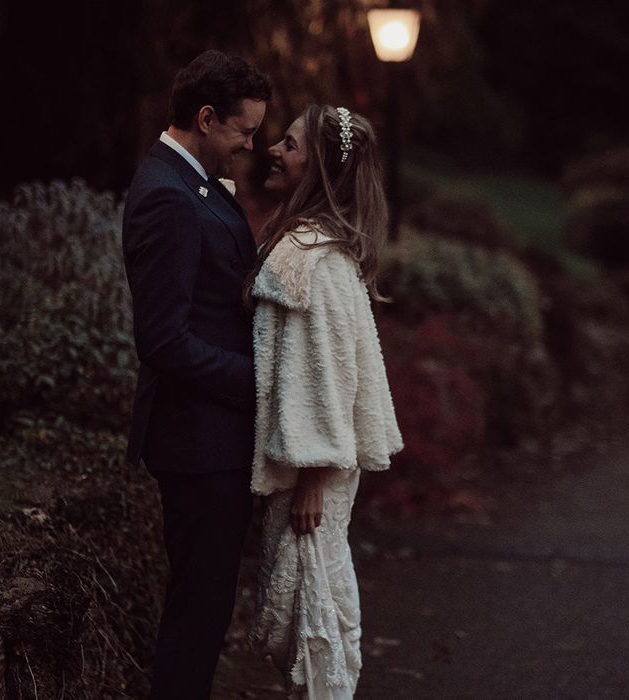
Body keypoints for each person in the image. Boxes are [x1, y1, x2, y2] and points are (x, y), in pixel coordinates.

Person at [121, 50, 271, 699]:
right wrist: (262, 381)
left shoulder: (196, 186)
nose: (250, 145)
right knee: (197, 615)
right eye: (243, 130)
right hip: (197, 442)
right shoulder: (168, 195)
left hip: (214, 439)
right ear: (206, 119)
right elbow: (162, 340)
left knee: (206, 613)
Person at [245, 104, 404, 699]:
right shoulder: (307, 246)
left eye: (290, 144)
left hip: (314, 470)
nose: (275, 151)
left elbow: (329, 372)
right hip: (303, 462)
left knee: (314, 616)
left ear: (318, 167)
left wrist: (313, 473)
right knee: (301, 609)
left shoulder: (318, 259)